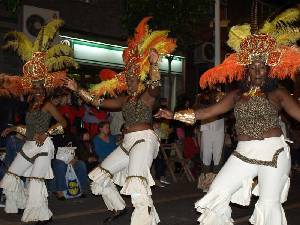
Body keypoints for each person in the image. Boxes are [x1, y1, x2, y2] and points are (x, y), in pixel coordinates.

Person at [155, 6, 300, 225]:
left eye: (263, 67)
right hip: (243, 152)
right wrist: (174, 115)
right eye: (254, 67)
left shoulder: (277, 92)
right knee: (217, 191)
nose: (258, 71)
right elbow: (208, 112)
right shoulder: (236, 95)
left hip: (273, 152)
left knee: (269, 205)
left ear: (268, 69)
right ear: (247, 69)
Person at [65, 17, 176, 225]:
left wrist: (154, 66)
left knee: (136, 181)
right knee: (99, 175)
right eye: (129, 79)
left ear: (141, 78)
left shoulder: (147, 96)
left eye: (135, 78)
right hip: (126, 143)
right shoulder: (123, 100)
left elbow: (155, 87)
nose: (131, 81)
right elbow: (99, 102)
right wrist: (77, 89)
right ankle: (118, 207)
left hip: (144, 140)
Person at [0, 19, 76, 224]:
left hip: (45, 145)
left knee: (35, 182)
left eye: (38, 84)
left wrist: (47, 133)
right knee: (12, 176)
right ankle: (20, 205)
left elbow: (64, 124)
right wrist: (15, 128)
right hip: (29, 144)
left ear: (44, 85)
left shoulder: (48, 105)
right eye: (32, 84)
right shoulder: (30, 104)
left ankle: (42, 215)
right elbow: (30, 129)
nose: (35, 87)